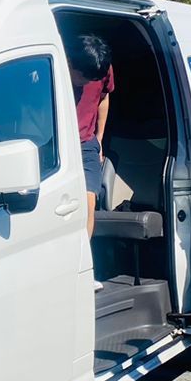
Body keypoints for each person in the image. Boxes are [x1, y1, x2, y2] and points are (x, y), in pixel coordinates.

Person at [67, 34, 114, 243]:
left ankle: (82, 258)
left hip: (86, 143)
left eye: (93, 80)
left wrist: (99, 138)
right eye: (84, 78)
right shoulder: (50, 69)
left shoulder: (100, 69)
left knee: (87, 205)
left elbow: (103, 98)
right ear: (69, 63)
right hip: (53, 145)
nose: (88, 83)